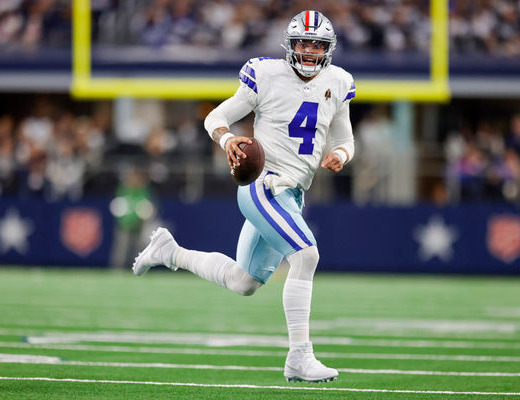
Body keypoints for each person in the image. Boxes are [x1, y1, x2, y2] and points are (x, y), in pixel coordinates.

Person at [132, 10, 355, 383]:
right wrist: (228, 138)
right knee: (306, 254)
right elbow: (215, 117)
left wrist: (341, 155)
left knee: (243, 282)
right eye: (304, 42)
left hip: (293, 194)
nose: (311, 50)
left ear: (328, 49)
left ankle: (170, 252)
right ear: (290, 45)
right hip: (263, 186)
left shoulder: (339, 81)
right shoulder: (266, 75)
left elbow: (345, 138)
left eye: (318, 44)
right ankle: (300, 356)